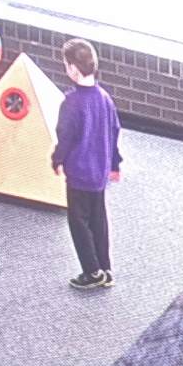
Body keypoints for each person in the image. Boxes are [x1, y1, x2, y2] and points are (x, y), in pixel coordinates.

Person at [50, 38, 123, 291]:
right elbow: (114, 132)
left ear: (72, 68)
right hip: (99, 174)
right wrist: (114, 164)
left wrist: (57, 159)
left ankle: (91, 271)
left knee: (78, 222)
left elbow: (65, 136)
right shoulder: (105, 98)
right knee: (98, 221)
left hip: (80, 175)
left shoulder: (71, 102)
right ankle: (105, 268)